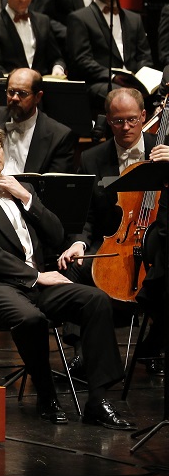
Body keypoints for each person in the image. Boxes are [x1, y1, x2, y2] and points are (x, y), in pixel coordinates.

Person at [0, 121, 134, 429]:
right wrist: (34, 277)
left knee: (96, 300)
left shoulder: (24, 188)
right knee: (30, 318)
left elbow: (58, 234)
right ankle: (46, 395)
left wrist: (27, 199)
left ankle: (98, 400)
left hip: (36, 282)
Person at [57, 87, 169, 374]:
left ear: (144, 116)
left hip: (159, 239)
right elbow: (85, 214)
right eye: (118, 121)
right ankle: (85, 352)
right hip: (114, 240)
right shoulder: (93, 158)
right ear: (108, 120)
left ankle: (152, 347)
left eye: (132, 119)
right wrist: (79, 243)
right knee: (72, 268)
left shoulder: (163, 147)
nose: (126, 127)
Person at [66, 0, 154, 107]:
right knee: (123, 96)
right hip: (99, 83)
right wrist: (113, 77)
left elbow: (145, 56)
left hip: (132, 83)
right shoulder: (79, 18)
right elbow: (82, 61)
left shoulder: (134, 19)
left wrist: (142, 79)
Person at [0, 68, 75, 174]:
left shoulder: (59, 136)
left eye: (22, 94)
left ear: (38, 97)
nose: (14, 98)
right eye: (11, 92)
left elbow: (54, 185)